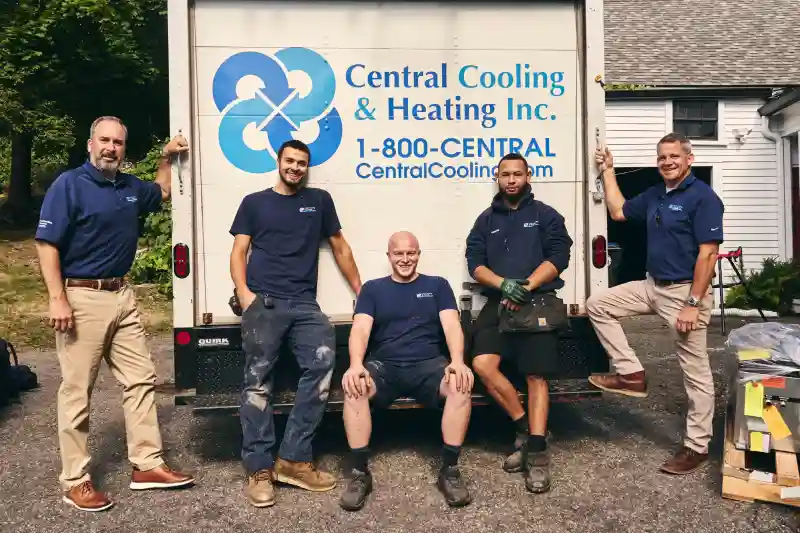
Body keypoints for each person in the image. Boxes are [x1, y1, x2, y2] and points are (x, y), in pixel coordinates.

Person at [35, 116, 195, 512]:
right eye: (104, 141)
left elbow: (161, 192)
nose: (111, 147)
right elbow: (46, 243)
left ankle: (147, 465)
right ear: (90, 145)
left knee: (141, 379)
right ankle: (75, 480)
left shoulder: (127, 187)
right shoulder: (69, 185)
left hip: (121, 295)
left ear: (124, 149)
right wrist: (57, 298)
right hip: (81, 296)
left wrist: (165, 157)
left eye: (118, 142)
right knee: (77, 392)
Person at [229, 139, 362, 508]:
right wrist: (244, 292)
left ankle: (293, 459)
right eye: (290, 161)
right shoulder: (254, 203)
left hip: (305, 304)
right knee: (257, 383)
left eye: (302, 163)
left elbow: (340, 247)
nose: (296, 168)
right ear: (279, 162)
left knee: (321, 366)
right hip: (264, 301)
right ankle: (258, 469)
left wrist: (361, 291)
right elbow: (240, 250)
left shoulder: (319, 201)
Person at [588, 132, 724, 475]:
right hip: (653, 285)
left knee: (695, 374)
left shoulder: (703, 198)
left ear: (689, 159)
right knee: (598, 304)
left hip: (684, 293)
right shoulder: (655, 195)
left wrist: (693, 303)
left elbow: (708, 254)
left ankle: (697, 446)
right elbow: (618, 211)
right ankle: (631, 373)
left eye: (674, 156)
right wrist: (607, 170)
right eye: (662, 157)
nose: (667, 162)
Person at [338, 231, 475, 511]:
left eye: (410, 253)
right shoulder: (373, 289)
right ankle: (359, 473)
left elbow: (451, 325)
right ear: (389, 256)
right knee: (354, 388)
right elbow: (361, 329)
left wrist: (457, 361)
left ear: (418, 254)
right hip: (384, 365)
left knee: (460, 385)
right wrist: (355, 366)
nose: (405, 259)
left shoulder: (437, 286)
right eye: (398, 253)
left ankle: (449, 471)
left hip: (428, 364)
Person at [465, 152, 573, 494]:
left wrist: (525, 286)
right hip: (498, 303)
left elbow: (559, 256)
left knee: (535, 375)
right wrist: (503, 285)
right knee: (482, 364)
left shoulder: (546, 215)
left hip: (537, 302)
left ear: (528, 176)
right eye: (505, 175)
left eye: (517, 174)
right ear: (497, 178)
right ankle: (526, 428)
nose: (511, 180)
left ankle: (537, 455)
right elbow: (475, 262)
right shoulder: (485, 219)